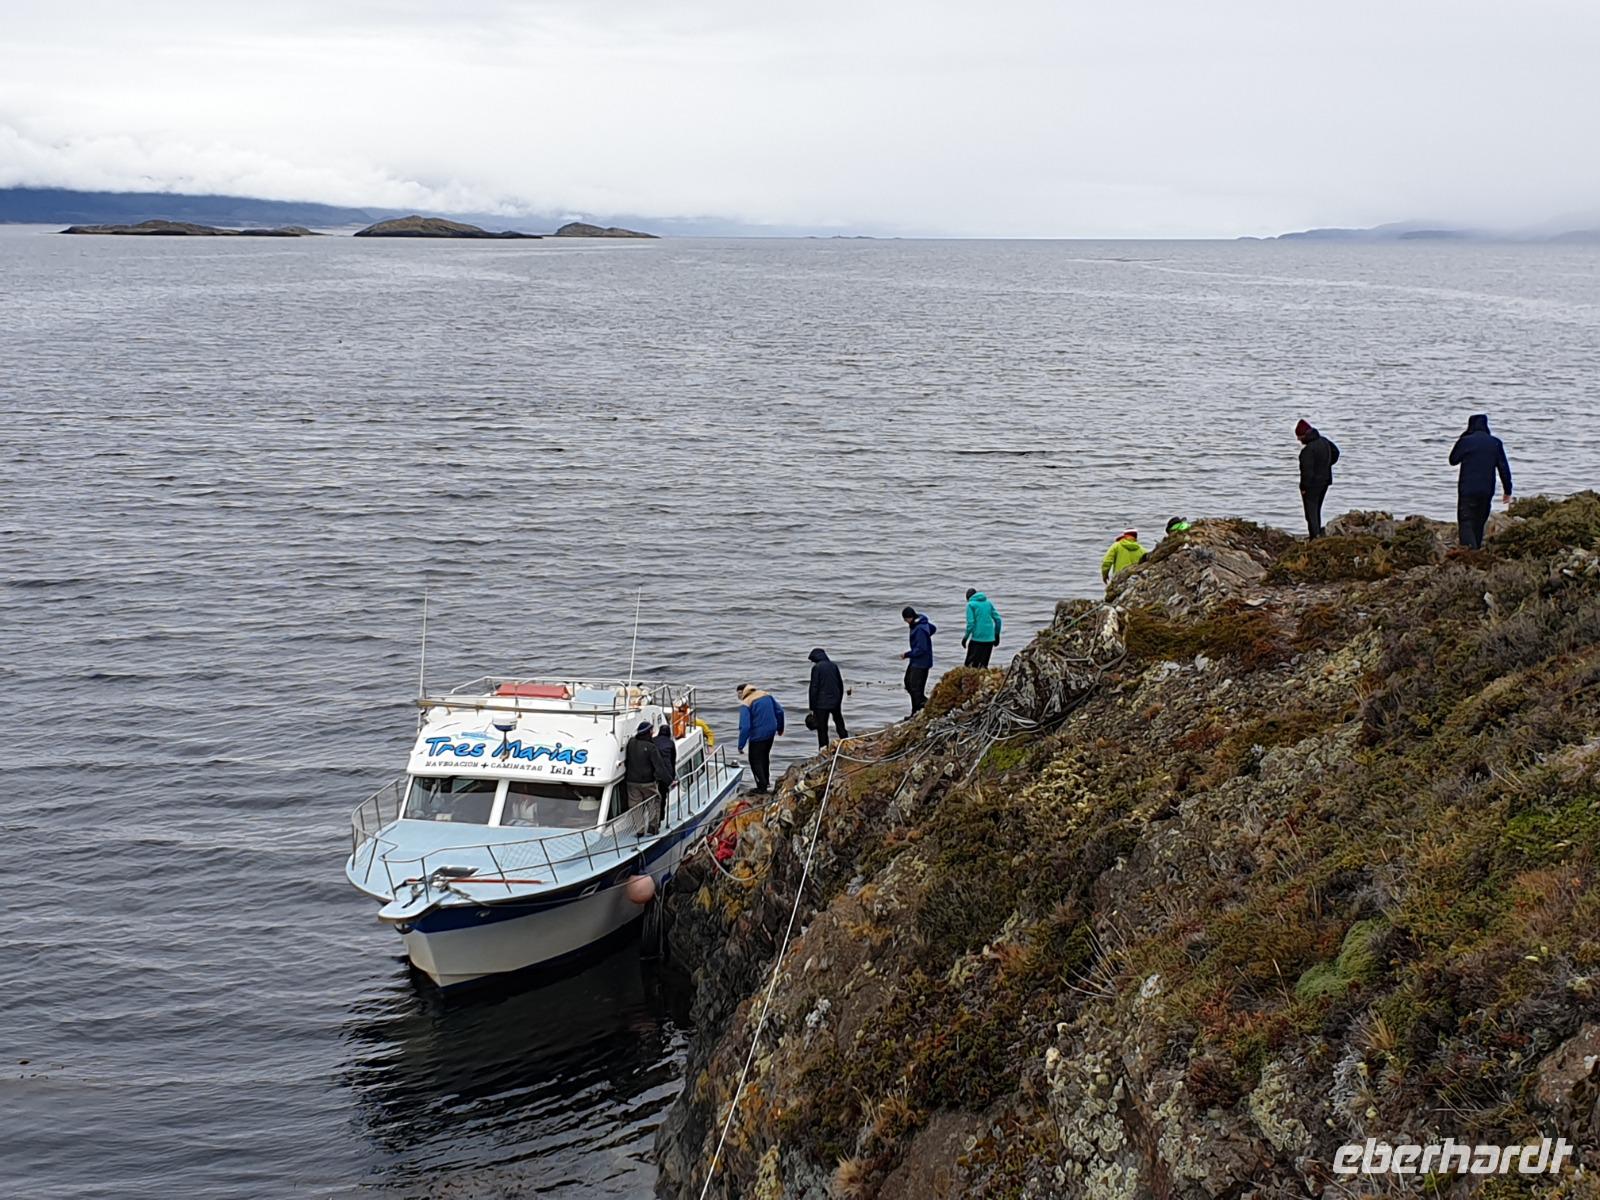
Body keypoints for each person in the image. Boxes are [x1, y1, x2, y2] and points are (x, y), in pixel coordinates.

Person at [1449, 413, 1513, 549]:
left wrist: (1462, 438)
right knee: (1479, 521)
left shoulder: (1466, 441)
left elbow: (1453, 460)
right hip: (1486, 490)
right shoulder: (1495, 443)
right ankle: (1476, 547)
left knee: (1466, 520)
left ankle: (1469, 551)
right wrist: (1507, 490)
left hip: (1468, 489)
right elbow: (1503, 468)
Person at [1295, 419, 1340, 539]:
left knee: (1310, 513)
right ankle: (1317, 534)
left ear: (1305, 435)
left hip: (1312, 486)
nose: (1298, 440)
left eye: (1299, 437)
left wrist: (1303, 488)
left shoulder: (1307, 451)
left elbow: (1306, 473)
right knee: (1317, 509)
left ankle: (1314, 537)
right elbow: (1336, 452)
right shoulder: (1324, 441)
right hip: (1325, 481)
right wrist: (1327, 464)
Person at [736, 683, 785, 794]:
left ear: (742, 692)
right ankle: (766, 782)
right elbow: (780, 711)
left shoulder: (746, 703)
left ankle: (761, 787)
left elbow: (745, 727)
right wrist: (780, 728)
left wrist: (741, 745)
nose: (738, 697)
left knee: (754, 761)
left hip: (758, 736)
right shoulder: (766, 695)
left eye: (738, 693)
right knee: (764, 757)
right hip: (770, 733)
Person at [623, 720, 670, 831]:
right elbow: (659, 767)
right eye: (651, 730)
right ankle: (653, 827)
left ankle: (639, 829)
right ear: (648, 732)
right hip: (648, 782)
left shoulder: (631, 743)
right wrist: (668, 780)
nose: (653, 732)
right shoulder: (651, 747)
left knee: (636, 807)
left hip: (631, 782)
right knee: (653, 803)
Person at [807, 648, 848, 748]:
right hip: (835, 702)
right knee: (839, 722)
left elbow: (814, 688)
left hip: (821, 705)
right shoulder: (833, 666)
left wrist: (812, 707)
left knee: (822, 729)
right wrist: (839, 700)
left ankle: (823, 749)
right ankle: (846, 741)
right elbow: (840, 684)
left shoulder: (817, 668)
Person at [900, 606, 937, 714]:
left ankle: (918, 710)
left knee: (916, 689)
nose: (906, 622)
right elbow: (933, 628)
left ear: (909, 617)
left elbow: (921, 649)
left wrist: (907, 654)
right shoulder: (919, 623)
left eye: (906, 619)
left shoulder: (920, 629)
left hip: (921, 663)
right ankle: (919, 707)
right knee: (908, 683)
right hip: (916, 661)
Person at [962, 588, 1003, 668]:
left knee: (970, 666)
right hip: (990, 639)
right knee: (983, 666)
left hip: (977, 640)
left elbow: (970, 624)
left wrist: (965, 638)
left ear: (968, 598)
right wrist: (996, 635)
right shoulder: (988, 603)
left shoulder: (970, 604)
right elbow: (998, 620)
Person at [654, 723, 678, 827]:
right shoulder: (670, 743)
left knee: (654, 798)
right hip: (666, 774)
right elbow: (673, 760)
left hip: (654, 773)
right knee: (662, 796)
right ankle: (661, 817)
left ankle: (653, 819)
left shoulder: (653, 741)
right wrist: (671, 776)